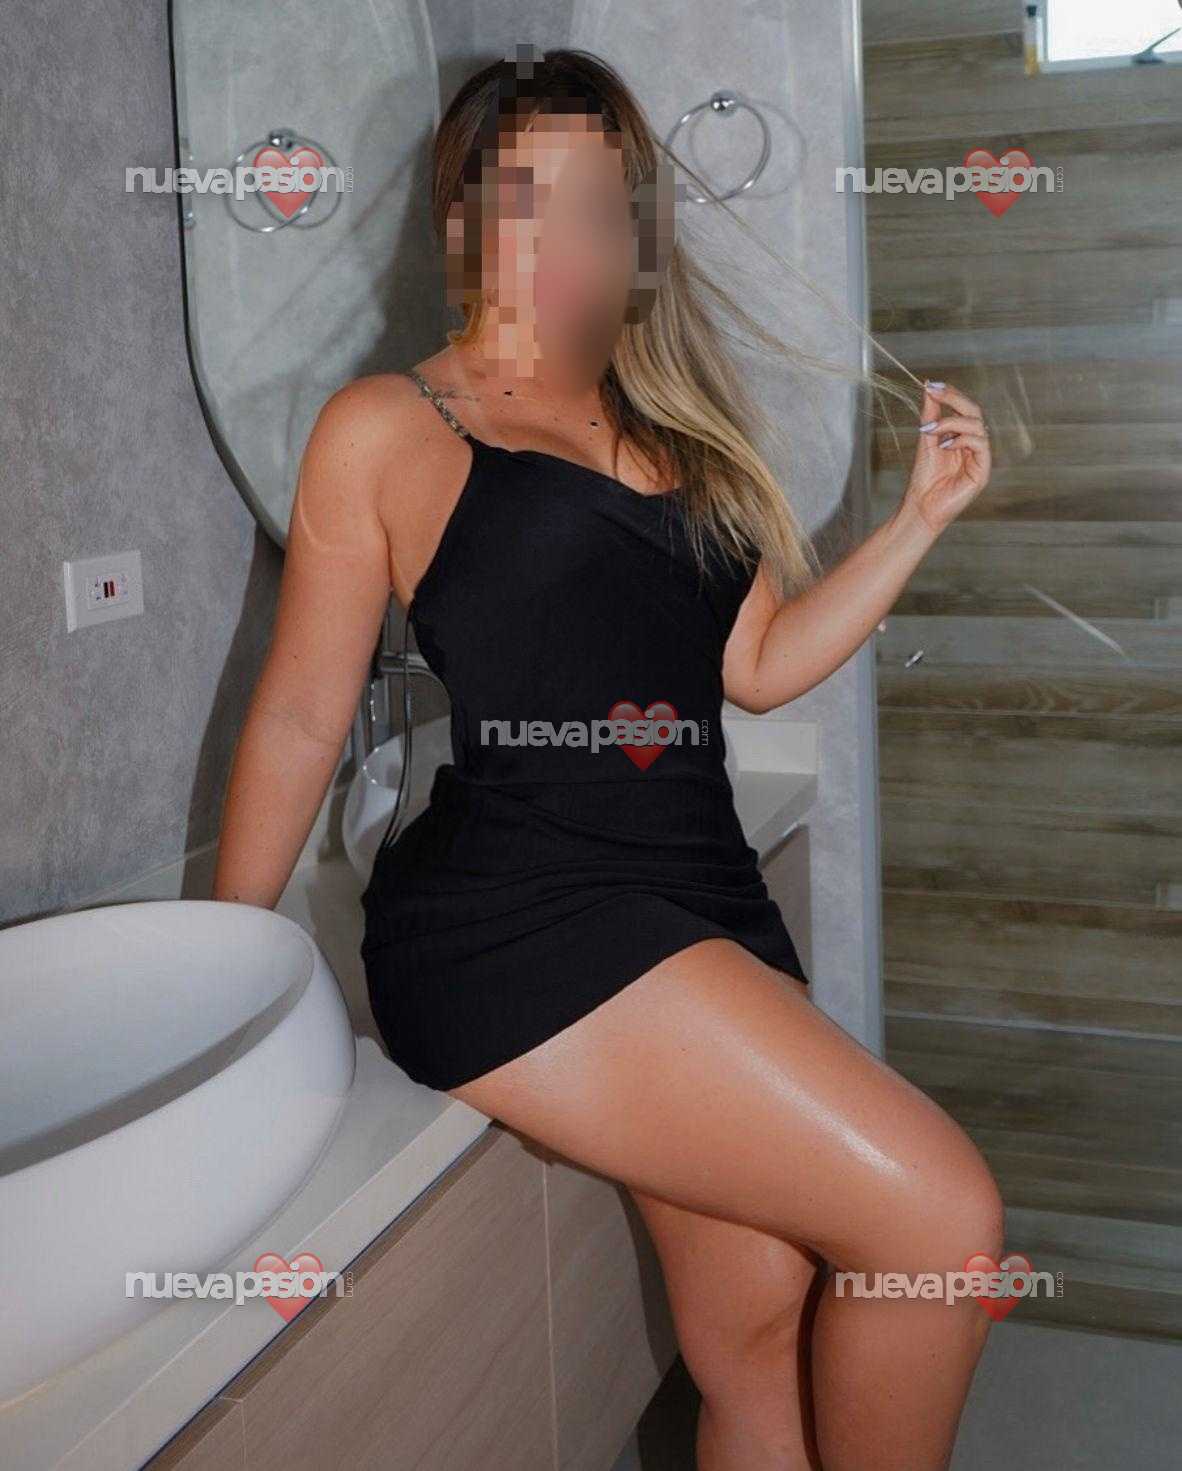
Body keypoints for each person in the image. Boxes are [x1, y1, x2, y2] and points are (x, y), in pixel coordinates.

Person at [214, 46, 997, 1471]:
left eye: (596, 205)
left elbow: (756, 664)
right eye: (527, 200)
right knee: (939, 1221)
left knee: (755, 1336)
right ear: (462, 215)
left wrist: (915, 524)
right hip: (520, 912)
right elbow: (299, 719)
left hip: (697, 891)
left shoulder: (675, 427)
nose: (564, 240)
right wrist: (225, 964)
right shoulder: (392, 427)